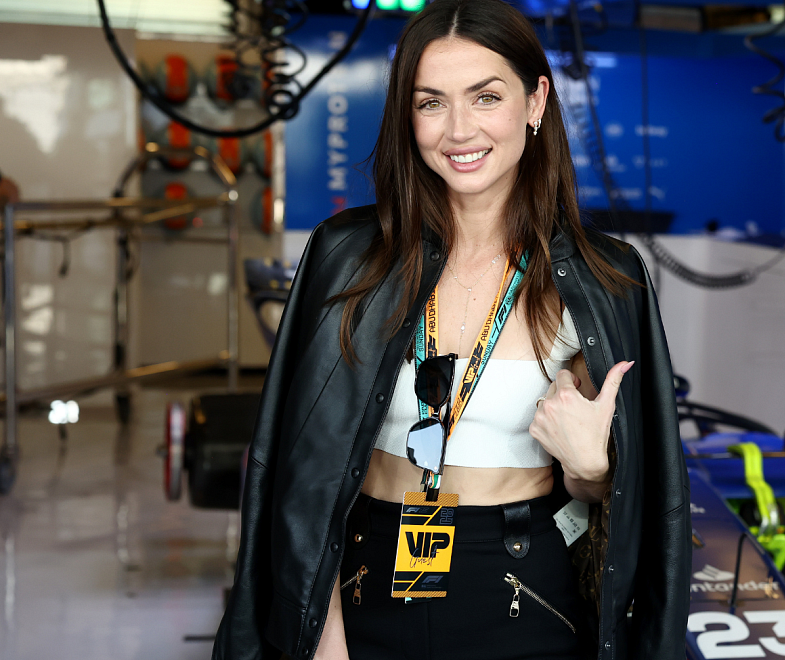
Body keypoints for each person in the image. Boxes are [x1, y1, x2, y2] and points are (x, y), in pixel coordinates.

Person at [211, 1, 690, 658]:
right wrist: (324, 636)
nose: (459, 130)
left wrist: (592, 467)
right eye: (431, 103)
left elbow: (629, 500)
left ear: (535, 102)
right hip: (363, 581)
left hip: (526, 590)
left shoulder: (603, 277)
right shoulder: (345, 255)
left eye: (486, 97)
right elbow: (304, 472)